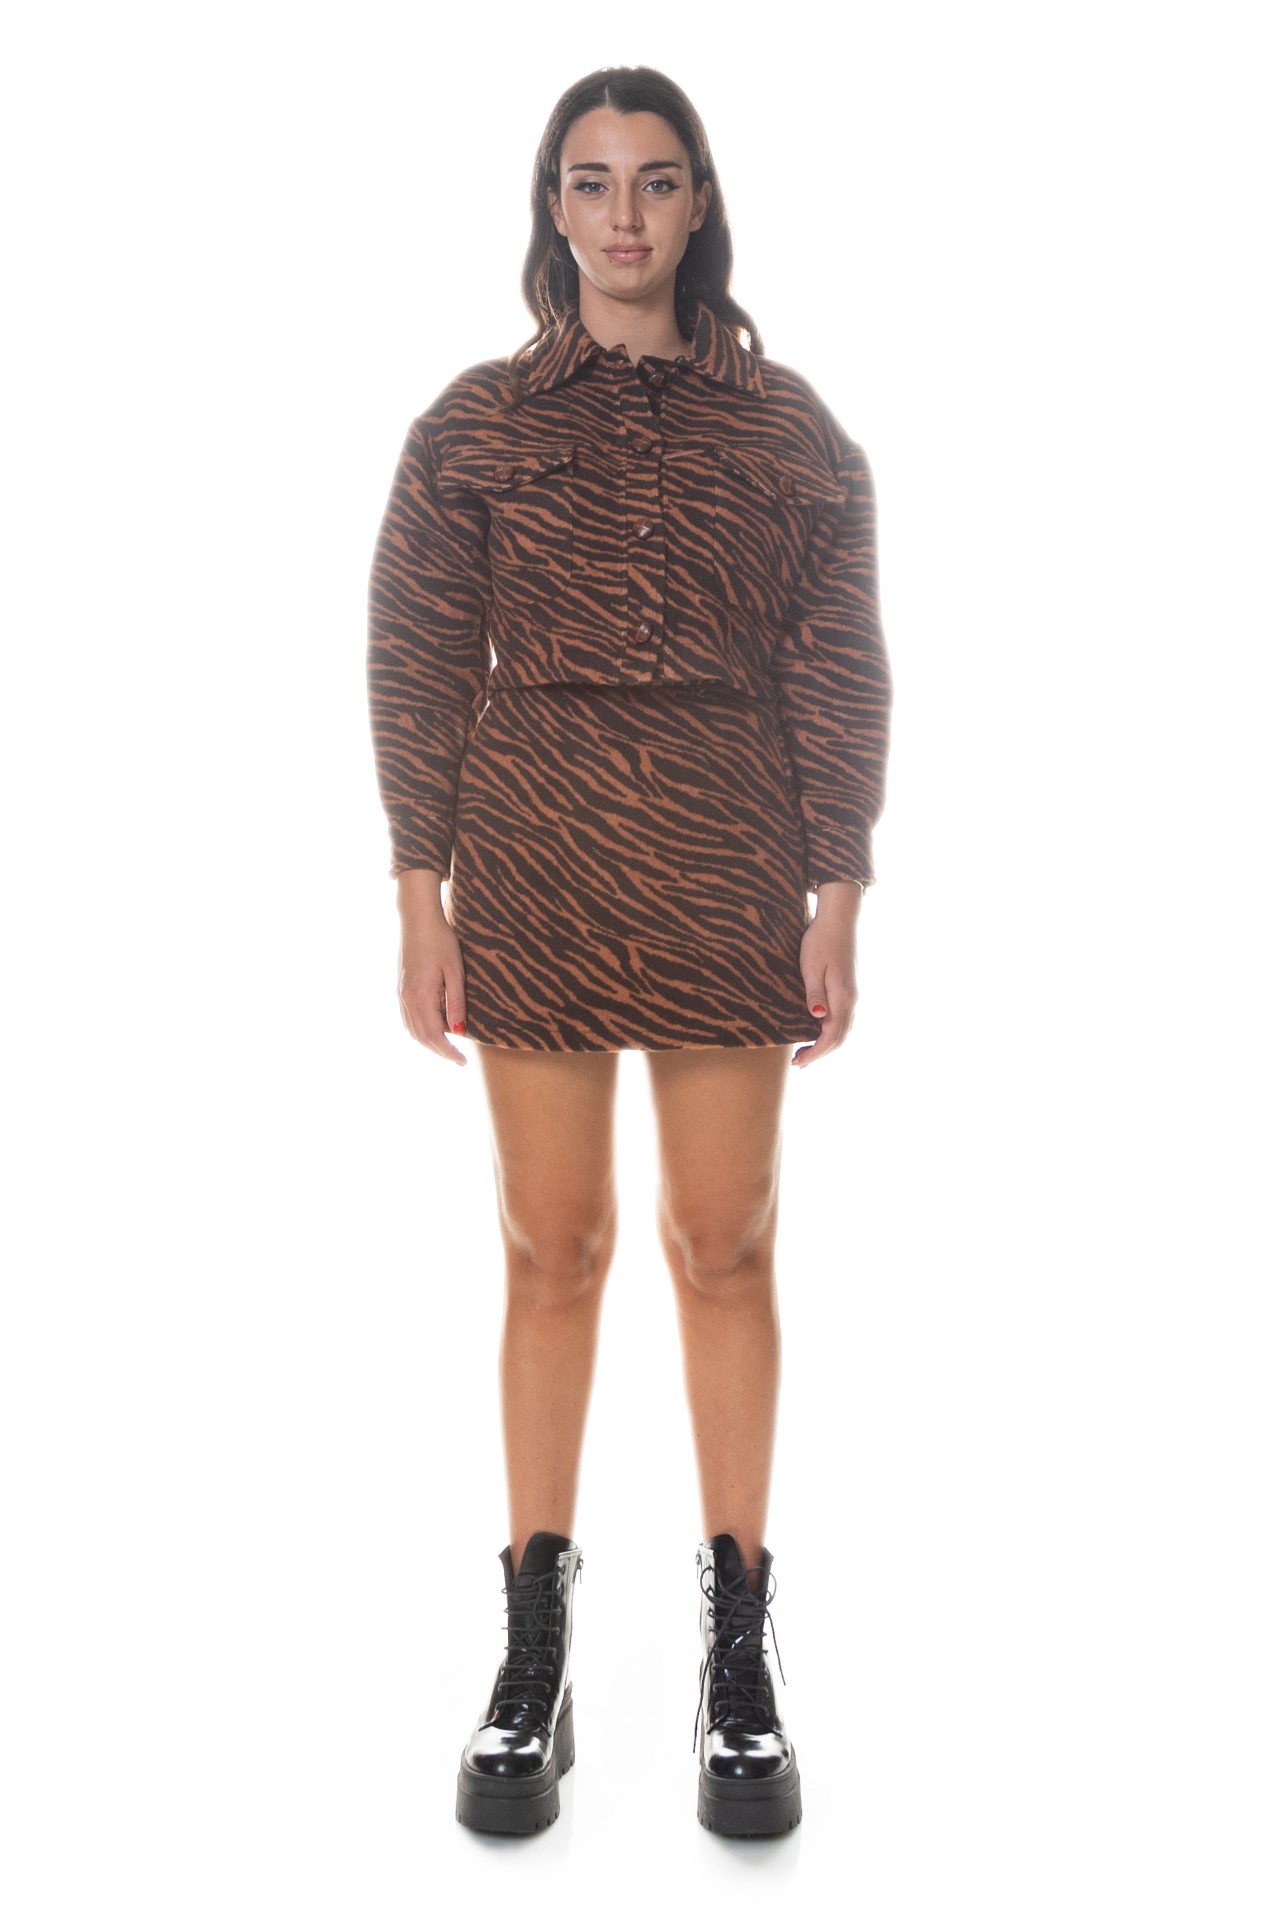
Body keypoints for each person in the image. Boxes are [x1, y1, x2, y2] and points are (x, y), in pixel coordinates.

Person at [366, 65, 891, 1839]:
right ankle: (536, 1653)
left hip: (730, 855)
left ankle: (738, 1654)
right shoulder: (474, 426)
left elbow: (837, 659)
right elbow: (419, 654)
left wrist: (839, 884)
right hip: (534, 852)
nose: (622, 215)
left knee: (724, 1243)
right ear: (551, 204)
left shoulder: (791, 432)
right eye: (590, 182)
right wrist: (418, 891)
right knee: (552, 1246)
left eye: (655, 181)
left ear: (699, 203)